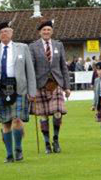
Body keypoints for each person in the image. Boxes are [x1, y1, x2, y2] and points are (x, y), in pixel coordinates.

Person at [0, 21, 36, 163]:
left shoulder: (23, 48)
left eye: (7, 31)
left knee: (17, 119)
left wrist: (32, 91)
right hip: (0, 89)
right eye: (1, 32)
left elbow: (30, 70)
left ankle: (18, 149)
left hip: (19, 88)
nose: (4, 34)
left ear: (12, 33)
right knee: (5, 123)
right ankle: (9, 154)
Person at [29, 20, 71, 154]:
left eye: (48, 29)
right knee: (43, 116)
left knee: (58, 112)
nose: (46, 32)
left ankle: (56, 139)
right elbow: (30, 69)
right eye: (44, 30)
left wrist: (67, 87)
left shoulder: (59, 45)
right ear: (39, 32)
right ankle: (47, 143)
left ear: (52, 31)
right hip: (40, 84)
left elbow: (63, 67)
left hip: (56, 83)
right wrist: (31, 89)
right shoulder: (33, 46)